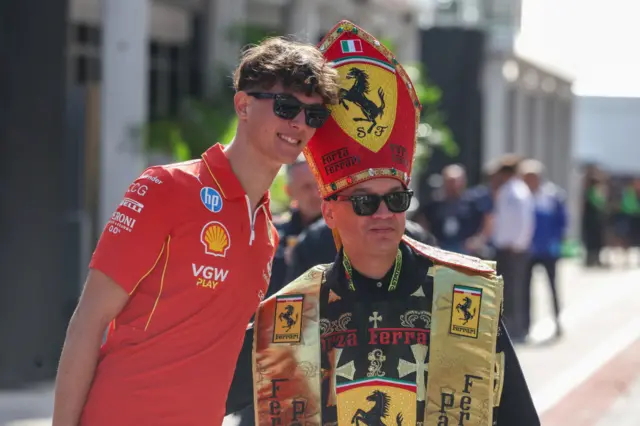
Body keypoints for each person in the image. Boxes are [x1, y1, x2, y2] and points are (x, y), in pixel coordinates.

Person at [225, 20, 539, 425]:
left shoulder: (467, 298)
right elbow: (202, 396)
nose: (384, 213)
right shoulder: (288, 314)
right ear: (329, 212)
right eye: (363, 201)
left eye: (396, 199)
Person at [52, 37, 340, 426]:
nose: (300, 124)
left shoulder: (267, 230)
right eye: (286, 107)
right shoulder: (166, 187)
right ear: (242, 105)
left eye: (314, 115)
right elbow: (89, 321)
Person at [490, 155, 535, 342]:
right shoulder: (509, 190)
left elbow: (524, 222)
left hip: (513, 249)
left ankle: (517, 328)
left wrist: (517, 244)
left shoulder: (517, 191)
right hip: (507, 247)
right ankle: (514, 327)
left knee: (514, 290)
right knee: (508, 290)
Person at [521, 159, 568, 339]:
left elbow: (562, 222)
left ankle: (557, 320)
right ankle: (525, 326)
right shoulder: (521, 196)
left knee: (553, 287)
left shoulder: (552, 195)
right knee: (525, 289)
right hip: (527, 250)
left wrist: (556, 242)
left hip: (548, 250)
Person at [269, 155, 324, 294]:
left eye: (319, 185)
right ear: (289, 191)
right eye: (306, 187)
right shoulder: (272, 234)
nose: (315, 194)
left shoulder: (342, 232)